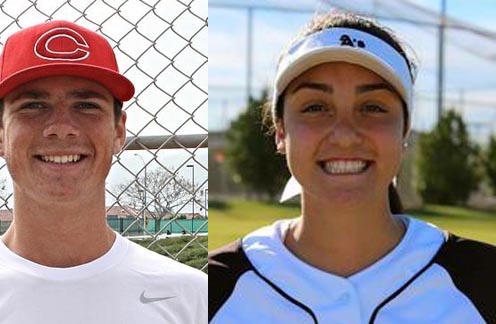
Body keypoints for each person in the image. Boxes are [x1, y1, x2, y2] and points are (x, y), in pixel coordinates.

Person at [209, 12, 496, 324]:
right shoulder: (212, 289)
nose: (344, 135)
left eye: (372, 107)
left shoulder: (484, 281)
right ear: (281, 132)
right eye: (315, 107)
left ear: (404, 131)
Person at [0, 20, 207, 324]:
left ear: (118, 131)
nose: (61, 128)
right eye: (33, 105)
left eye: (86, 105)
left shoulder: (193, 299)